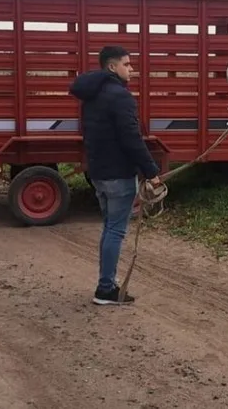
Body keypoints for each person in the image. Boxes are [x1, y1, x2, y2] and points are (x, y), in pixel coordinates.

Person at [69, 45, 161, 305]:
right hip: (119, 176)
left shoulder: (92, 95)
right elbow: (131, 138)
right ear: (112, 67)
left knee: (109, 228)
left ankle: (106, 283)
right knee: (115, 231)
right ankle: (105, 289)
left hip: (99, 173)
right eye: (127, 64)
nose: (131, 69)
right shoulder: (119, 96)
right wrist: (152, 172)